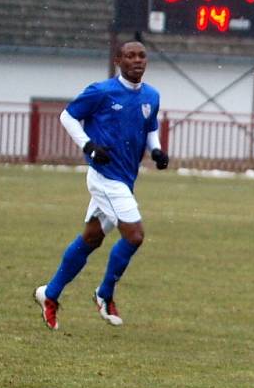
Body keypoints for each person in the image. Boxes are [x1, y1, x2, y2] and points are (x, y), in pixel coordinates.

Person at [33, 40, 169, 330]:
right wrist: (89, 145)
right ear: (118, 60)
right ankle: (104, 294)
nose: (137, 61)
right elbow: (67, 116)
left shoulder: (151, 96)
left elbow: (150, 126)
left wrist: (156, 150)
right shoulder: (102, 91)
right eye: (130, 56)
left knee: (91, 238)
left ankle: (50, 293)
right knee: (134, 236)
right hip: (105, 176)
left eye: (142, 56)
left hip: (125, 178)